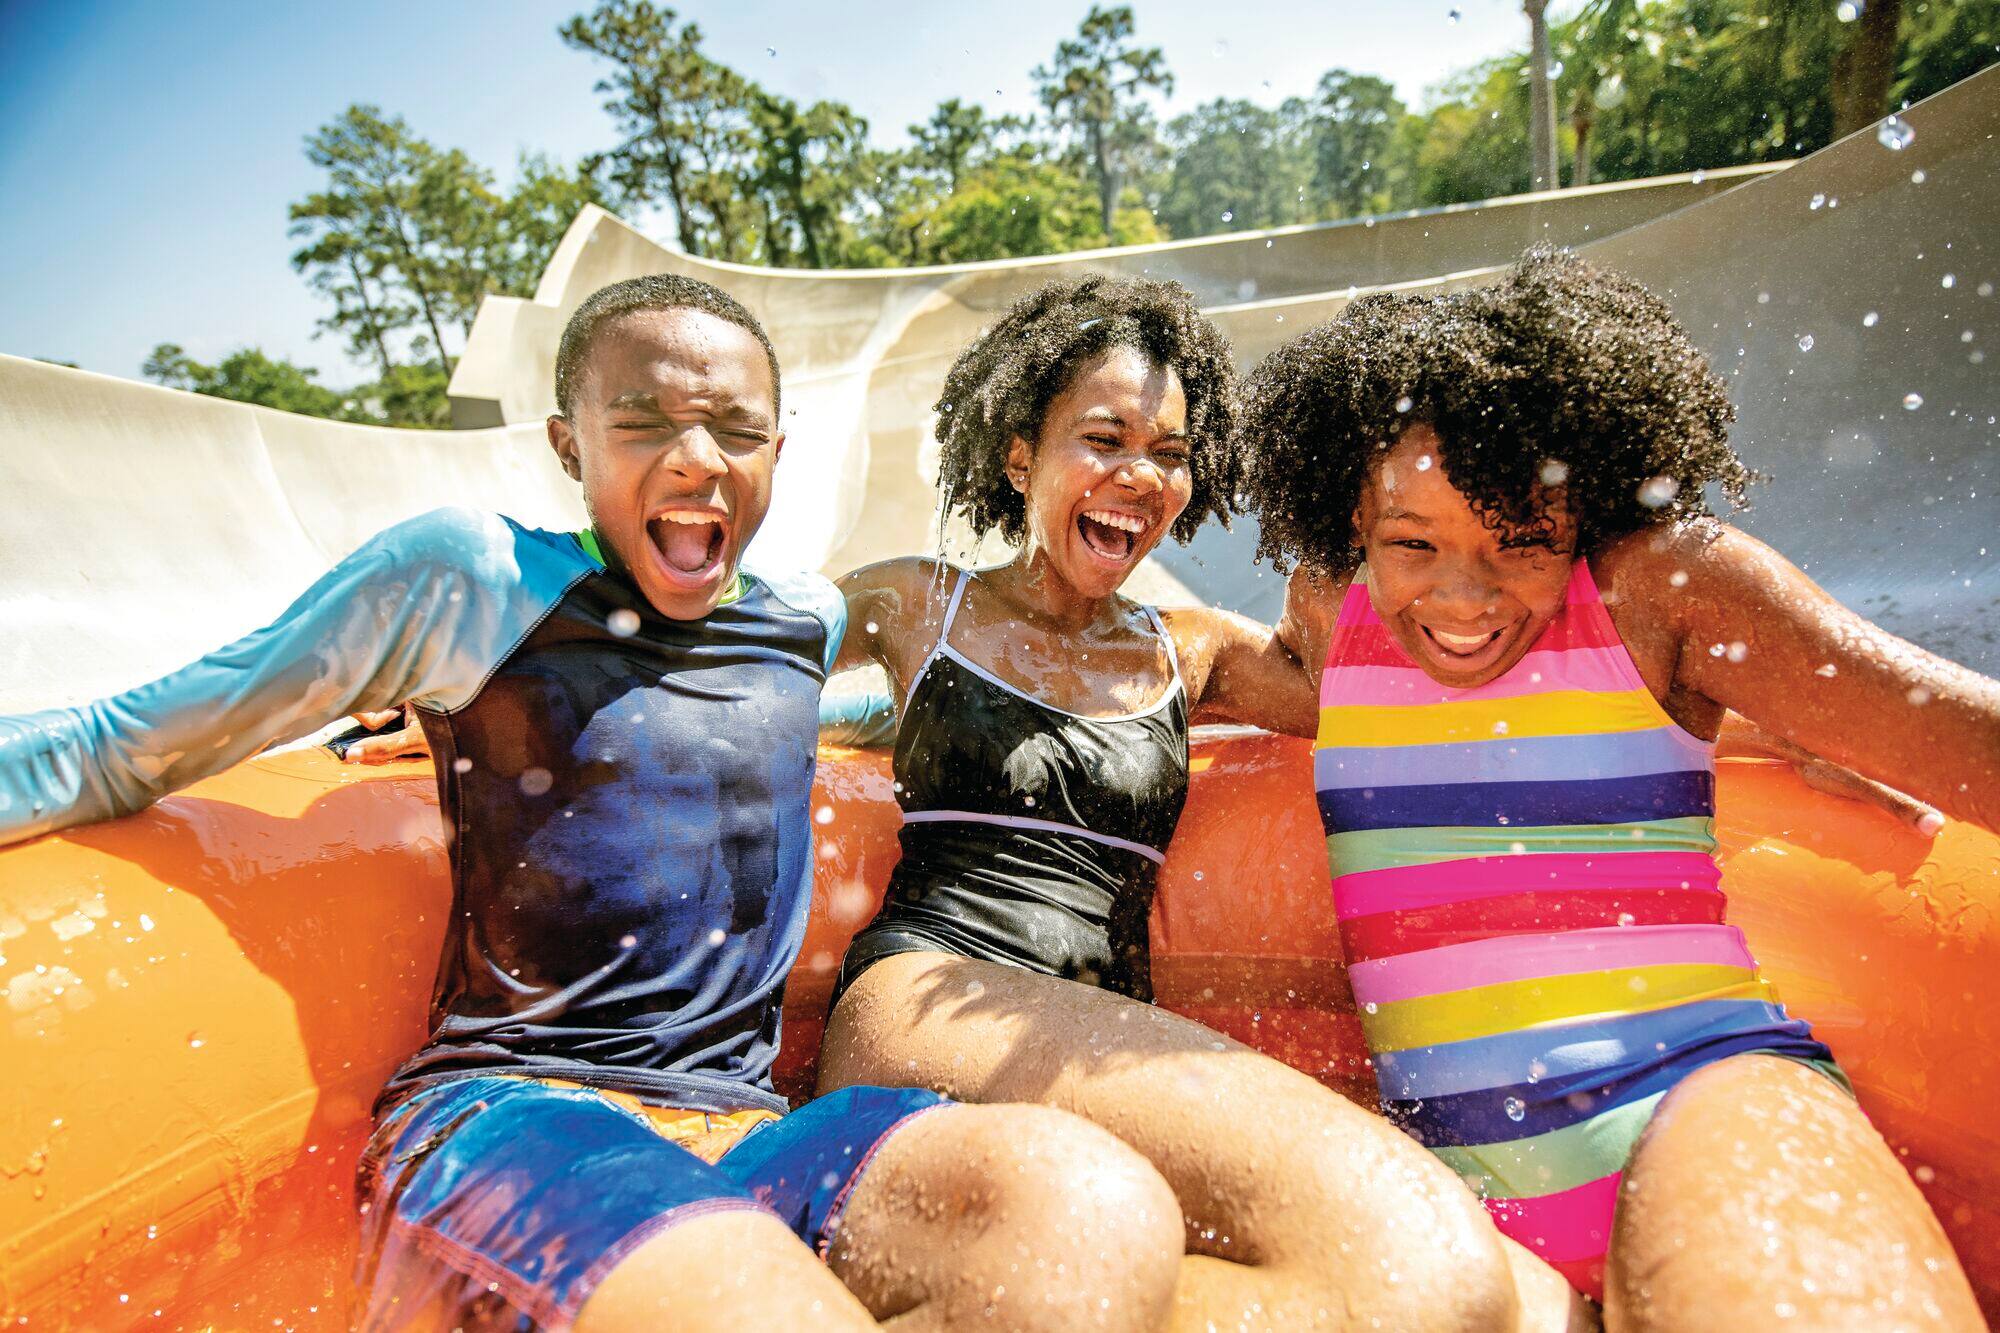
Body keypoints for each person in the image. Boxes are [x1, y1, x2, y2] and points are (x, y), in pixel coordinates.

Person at [0, 275, 1184, 1332]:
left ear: (778, 446)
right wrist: (404, 705)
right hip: (517, 1110)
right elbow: (124, 744)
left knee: (1084, 1211)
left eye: (733, 429)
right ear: (570, 444)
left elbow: (846, 718)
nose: (694, 459)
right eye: (644, 424)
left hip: (744, 1125)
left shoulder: (796, 619)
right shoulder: (471, 582)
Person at [816, 274, 1593, 1331]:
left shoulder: (1190, 650)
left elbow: (1355, 687)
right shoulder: (913, 603)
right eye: (1104, 438)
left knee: (1534, 1302)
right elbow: (739, 661)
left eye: (1171, 454)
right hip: (923, 999)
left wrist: (1344, 491)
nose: (1138, 475)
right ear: (1017, 456)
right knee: (1412, 1245)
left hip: (1091, 1040)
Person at [1240, 247, 1991, 1326]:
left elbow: (1959, 735)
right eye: (1411, 543)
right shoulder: (1331, 611)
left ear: (1586, 506)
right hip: (1454, 1218)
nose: (1464, 595)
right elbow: (1224, 677)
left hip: (1699, 1108)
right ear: (1349, 521)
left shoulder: (1663, 587)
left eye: (1522, 541)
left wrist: (1794, 718)